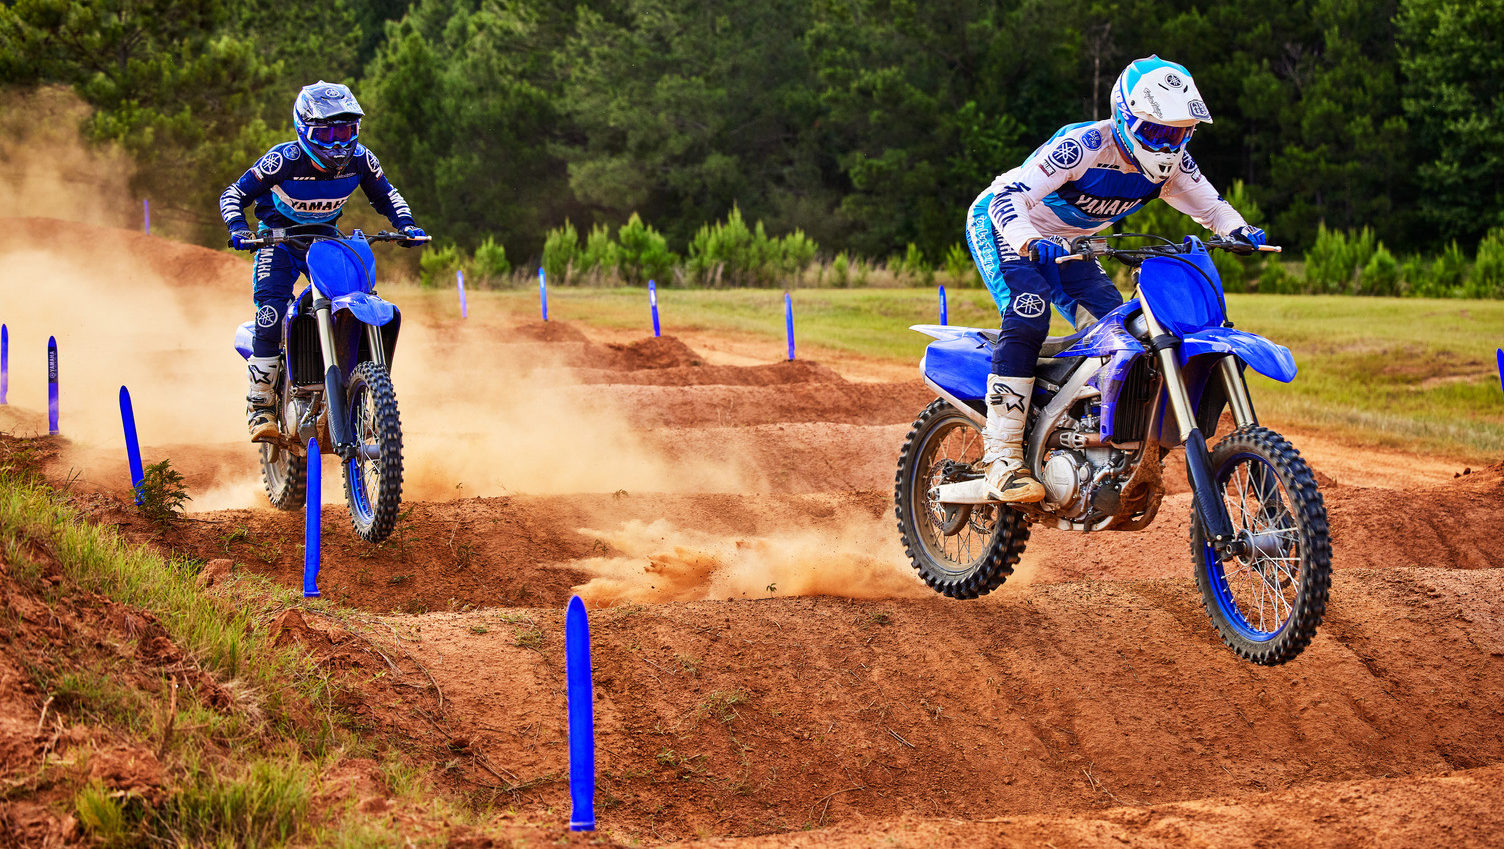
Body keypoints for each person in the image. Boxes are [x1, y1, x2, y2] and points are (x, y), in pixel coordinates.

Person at [965, 55, 1265, 503]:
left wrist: (1239, 231)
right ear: (1125, 118)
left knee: (1123, 336)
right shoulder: (1083, 145)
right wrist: (1028, 241)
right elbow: (1009, 195)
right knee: (1029, 312)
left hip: (1072, 246)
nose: (1168, 146)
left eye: (1179, 134)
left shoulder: (1176, 165)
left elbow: (1213, 208)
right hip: (1008, 226)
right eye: (1159, 132)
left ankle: (1092, 442)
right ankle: (1002, 457)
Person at [219, 81, 426, 443]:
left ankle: (355, 388)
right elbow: (234, 193)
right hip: (278, 240)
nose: (338, 143)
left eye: (345, 131)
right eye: (328, 133)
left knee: (351, 300)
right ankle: (261, 407)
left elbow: (386, 194)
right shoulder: (283, 160)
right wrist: (239, 227)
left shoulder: (362, 159)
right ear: (304, 129)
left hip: (326, 239)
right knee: (270, 312)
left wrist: (406, 225)